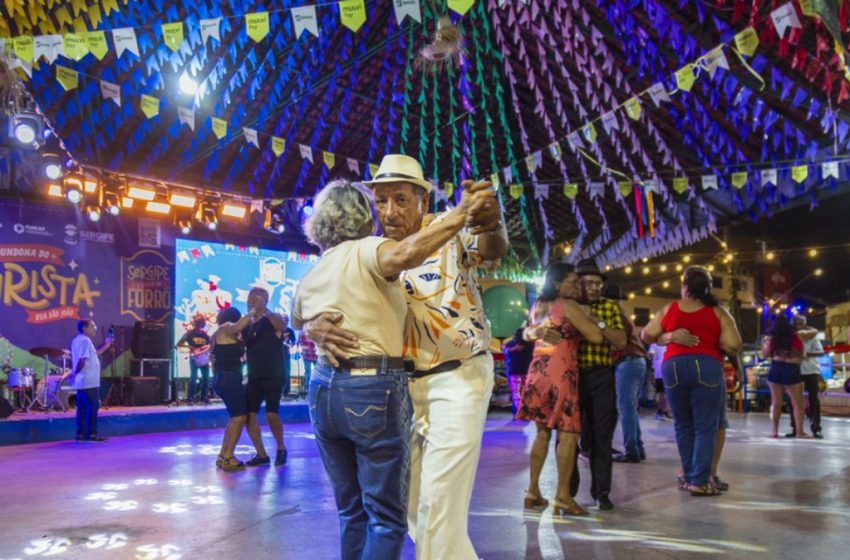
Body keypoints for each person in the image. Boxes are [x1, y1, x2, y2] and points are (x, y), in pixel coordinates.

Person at [302, 153, 507, 560]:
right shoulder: (367, 251)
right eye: (381, 201)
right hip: (395, 390)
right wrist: (311, 327)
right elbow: (315, 298)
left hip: (458, 377)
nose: (389, 211)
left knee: (439, 506)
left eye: (401, 199)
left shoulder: (448, 229)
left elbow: (491, 245)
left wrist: (492, 220)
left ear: (423, 202)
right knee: (409, 505)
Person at [641, 266, 742, 497]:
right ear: (708, 287)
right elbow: (734, 344)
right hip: (706, 366)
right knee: (706, 426)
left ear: (684, 285)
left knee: (683, 425)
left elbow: (645, 335)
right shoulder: (718, 311)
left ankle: (687, 476)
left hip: (673, 367)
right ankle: (699, 480)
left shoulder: (670, 309)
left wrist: (667, 336)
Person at [516, 263, 603, 516]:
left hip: (538, 371)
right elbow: (596, 337)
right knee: (569, 433)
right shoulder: (568, 305)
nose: (578, 286)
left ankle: (533, 492)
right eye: (573, 281)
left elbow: (527, 333)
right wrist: (593, 321)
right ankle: (563, 496)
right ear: (558, 284)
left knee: (542, 433)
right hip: (560, 372)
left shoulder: (538, 305)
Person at [574, 258, 626, 511]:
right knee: (569, 435)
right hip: (572, 377)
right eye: (589, 283)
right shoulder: (570, 306)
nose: (594, 288)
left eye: (598, 283)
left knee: (602, 436)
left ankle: (601, 492)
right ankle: (567, 491)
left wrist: (597, 321)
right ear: (579, 284)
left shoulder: (609, 308)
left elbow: (620, 341)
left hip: (601, 376)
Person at [243, 287, 288, 467]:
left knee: (271, 414)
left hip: (273, 374)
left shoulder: (273, 318)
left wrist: (265, 311)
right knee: (249, 416)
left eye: (254, 299)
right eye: (249, 299)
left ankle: (281, 448)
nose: (250, 302)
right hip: (254, 375)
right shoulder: (248, 323)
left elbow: (281, 327)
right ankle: (261, 454)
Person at [210, 306, 254, 471]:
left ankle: (223, 455)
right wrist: (253, 312)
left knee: (235, 418)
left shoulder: (219, 334)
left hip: (224, 377)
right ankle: (228, 456)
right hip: (228, 377)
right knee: (239, 418)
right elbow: (237, 326)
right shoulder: (226, 327)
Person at [612, 303, 649, 463]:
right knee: (630, 407)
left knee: (625, 407)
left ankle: (632, 451)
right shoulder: (623, 315)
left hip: (628, 361)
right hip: (637, 361)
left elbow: (618, 342)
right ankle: (638, 448)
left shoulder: (616, 317)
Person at [762, 315, 809, 439]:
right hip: (791, 368)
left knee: (776, 402)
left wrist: (765, 344)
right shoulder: (795, 337)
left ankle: (774, 431)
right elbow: (802, 354)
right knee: (797, 404)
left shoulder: (773, 340)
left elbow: (764, 354)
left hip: (776, 367)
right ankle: (799, 432)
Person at [70, 319, 112, 443]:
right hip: (89, 380)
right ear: (84, 328)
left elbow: (93, 355)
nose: (95, 328)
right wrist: (74, 373)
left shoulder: (77, 340)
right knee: (93, 406)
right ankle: (92, 434)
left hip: (83, 381)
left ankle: (81, 434)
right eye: (92, 326)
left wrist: (106, 345)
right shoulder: (85, 340)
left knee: (82, 408)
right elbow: (82, 360)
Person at [790, 315, 824, 438]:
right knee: (793, 400)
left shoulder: (812, 335)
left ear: (805, 324)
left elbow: (821, 352)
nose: (798, 325)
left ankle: (816, 428)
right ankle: (795, 428)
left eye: (801, 323)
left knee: (813, 399)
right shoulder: (790, 335)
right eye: (796, 323)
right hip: (795, 369)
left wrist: (806, 354)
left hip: (811, 370)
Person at [176, 314, 211, 404]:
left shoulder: (204, 334)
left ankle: (204, 398)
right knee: (193, 378)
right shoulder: (189, 333)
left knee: (206, 378)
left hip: (204, 358)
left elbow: (210, 344)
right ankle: (190, 398)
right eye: (201, 322)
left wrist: (205, 348)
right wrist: (191, 348)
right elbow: (179, 344)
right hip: (194, 358)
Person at [503, 326, 534, 415]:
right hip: (528, 371)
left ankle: (518, 413)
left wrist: (508, 349)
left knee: (516, 393)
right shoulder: (531, 344)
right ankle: (526, 412)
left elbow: (505, 351)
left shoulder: (511, 343)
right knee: (527, 393)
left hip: (514, 371)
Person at [648, 343, 671, 420]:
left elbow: (650, 355)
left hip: (664, 370)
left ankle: (665, 411)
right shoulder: (655, 344)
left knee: (665, 392)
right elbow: (650, 355)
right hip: (661, 371)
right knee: (662, 392)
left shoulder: (667, 343)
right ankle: (661, 411)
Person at [280, 315, 296, 397]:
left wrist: (287, 341)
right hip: (276, 355)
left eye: (286, 319)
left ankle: (286, 391)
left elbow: (293, 343)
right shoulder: (277, 329)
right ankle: (278, 391)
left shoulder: (290, 331)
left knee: (287, 372)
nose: (284, 321)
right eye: (283, 319)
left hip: (286, 354)